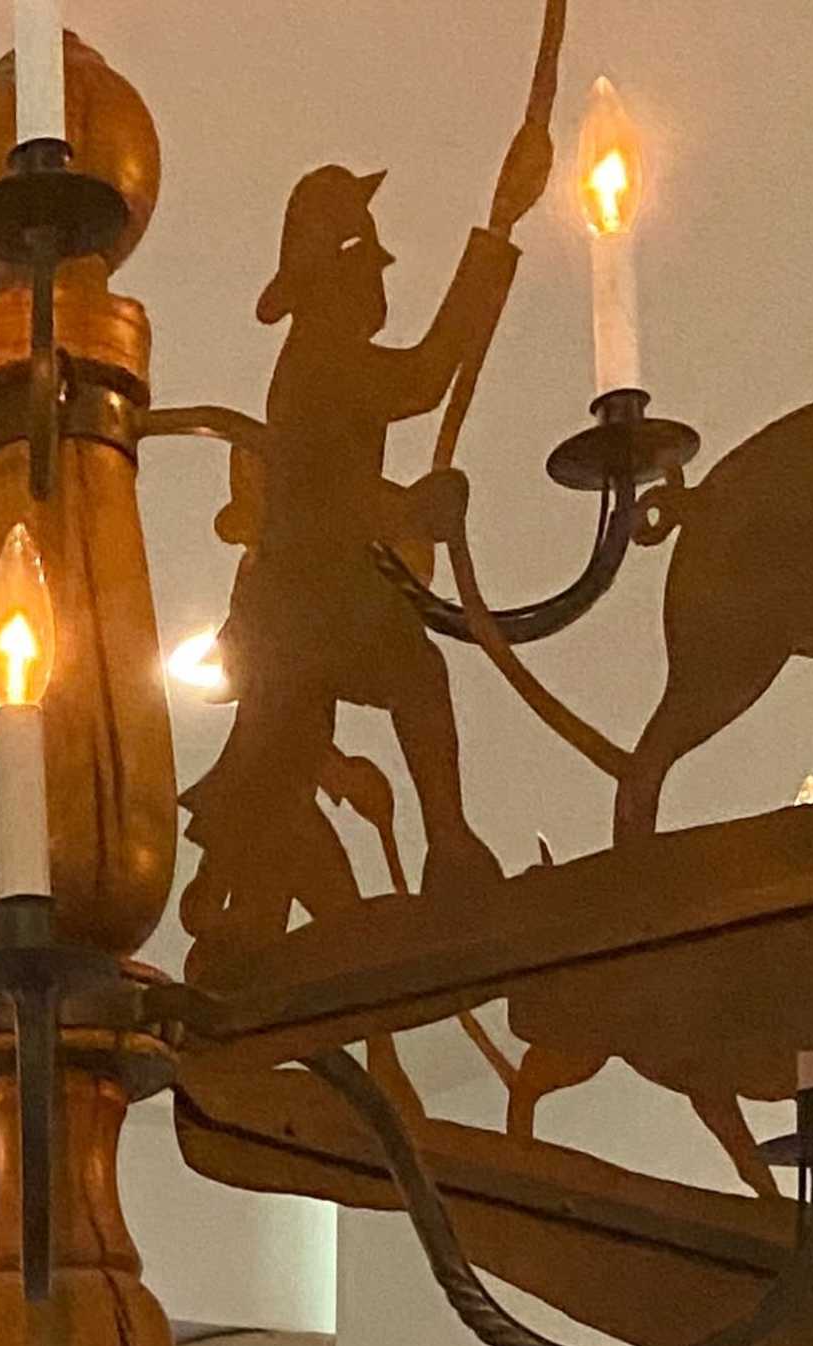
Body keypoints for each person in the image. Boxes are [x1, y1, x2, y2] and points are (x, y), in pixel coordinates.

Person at [184, 82, 561, 959]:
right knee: (409, 679)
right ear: (335, 281)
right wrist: (497, 233)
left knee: (280, 756)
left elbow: (346, 478)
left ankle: (244, 901)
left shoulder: (326, 360)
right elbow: (421, 384)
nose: (379, 285)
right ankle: (445, 850)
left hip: (318, 592)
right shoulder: (323, 361)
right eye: (367, 271)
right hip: (309, 601)